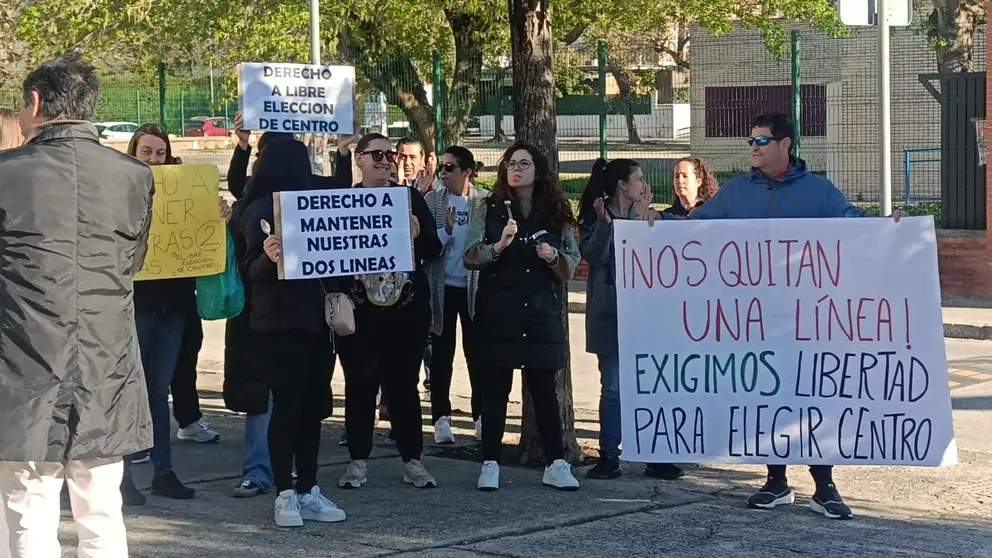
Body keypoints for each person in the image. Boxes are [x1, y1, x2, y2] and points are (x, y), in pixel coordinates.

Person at [661, 111, 905, 520]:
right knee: (768, 396)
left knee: (812, 396)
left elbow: (854, 228)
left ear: (785, 145)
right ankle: (775, 481)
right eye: (750, 141)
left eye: (761, 141)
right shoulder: (736, 193)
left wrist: (889, 226)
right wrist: (656, 227)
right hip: (755, 319)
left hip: (809, 319)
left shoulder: (819, 191)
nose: (752, 148)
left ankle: (824, 485)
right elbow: (695, 228)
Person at [0, 52, 153, 557]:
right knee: (103, 511)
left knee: (27, 511)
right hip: (105, 364)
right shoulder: (133, 175)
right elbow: (132, 262)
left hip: (23, 364)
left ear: (36, 102)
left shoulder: (7, 172)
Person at [463, 142, 581, 492]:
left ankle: (556, 463)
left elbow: (571, 265)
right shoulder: (489, 208)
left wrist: (552, 256)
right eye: (511, 162)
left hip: (541, 312)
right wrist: (498, 246)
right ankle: (490, 463)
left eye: (524, 163)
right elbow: (470, 256)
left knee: (543, 390)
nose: (516, 168)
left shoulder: (557, 210)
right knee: (496, 387)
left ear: (538, 170)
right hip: (499, 311)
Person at [241, 138, 346, 527]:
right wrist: (268, 259)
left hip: (317, 323)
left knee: (311, 410)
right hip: (280, 325)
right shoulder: (260, 211)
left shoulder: (317, 204)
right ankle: (285, 492)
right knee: (287, 409)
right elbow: (250, 270)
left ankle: (308, 489)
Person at [336, 133, 442, 490]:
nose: (385, 160)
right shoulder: (346, 200)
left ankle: (413, 460)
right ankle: (357, 462)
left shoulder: (408, 197)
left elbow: (434, 248)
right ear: (359, 159)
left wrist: (416, 236)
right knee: (359, 388)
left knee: (404, 388)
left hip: (405, 313)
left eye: (390, 155)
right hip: (360, 314)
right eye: (377, 154)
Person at [578, 158, 682, 481]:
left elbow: (653, 260)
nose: (643, 185)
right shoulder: (594, 216)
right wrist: (607, 226)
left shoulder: (644, 215)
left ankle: (656, 454)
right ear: (622, 185)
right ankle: (609, 455)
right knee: (613, 388)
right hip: (609, 316)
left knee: (651, 385)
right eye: (638, 179)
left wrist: (644, 221)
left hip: (644, 317)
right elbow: (594, 257)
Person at [122, 124, 197, 503]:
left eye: (160, 152)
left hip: (172, 307)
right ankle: (121, 477)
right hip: (132, 305)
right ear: (133, 153)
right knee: (126, 390)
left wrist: (217, 215)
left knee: (157, 391)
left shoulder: (186, 189)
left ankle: (163, 471)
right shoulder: (117, 191)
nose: (153, 159)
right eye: (146, 152)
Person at [424, 146, 487, 444]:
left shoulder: (484, 202)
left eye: (450, 168)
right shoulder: (433, 201)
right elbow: (425, 247)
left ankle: (481, 416)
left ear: (467, 171)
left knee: (477, 355)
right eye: (442, 168)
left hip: (473, 290)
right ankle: (441, 417)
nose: (443, 173)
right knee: (441, 356)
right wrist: (445, 230)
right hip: (442, 288)